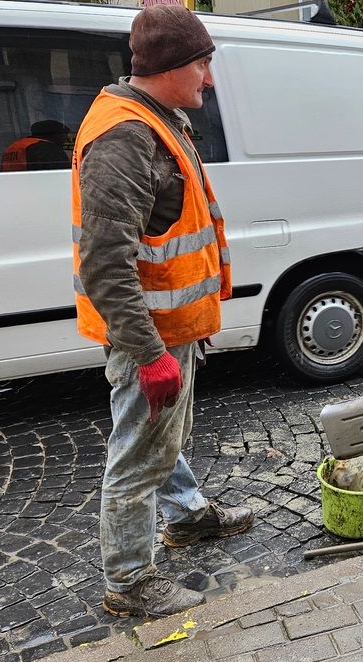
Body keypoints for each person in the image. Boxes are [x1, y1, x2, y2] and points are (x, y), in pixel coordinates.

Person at [71, 4, 253, 618]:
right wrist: (150, 355)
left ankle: (188, 516)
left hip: (167, 324)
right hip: (146, 333)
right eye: (203, 64)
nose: (210, 78)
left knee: (161, 434)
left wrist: (184, 328)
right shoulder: (125, 136)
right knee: (140, 452)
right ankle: (129, 582)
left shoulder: (157, 117)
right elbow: (105, 264)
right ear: (173, 66)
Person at [1, 120, 71, 171]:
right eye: (64, 135)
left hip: (11, 185)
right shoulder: (47, 148)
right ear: (56, 135)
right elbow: (62, 174)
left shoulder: (13, 146)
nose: (66, 139)